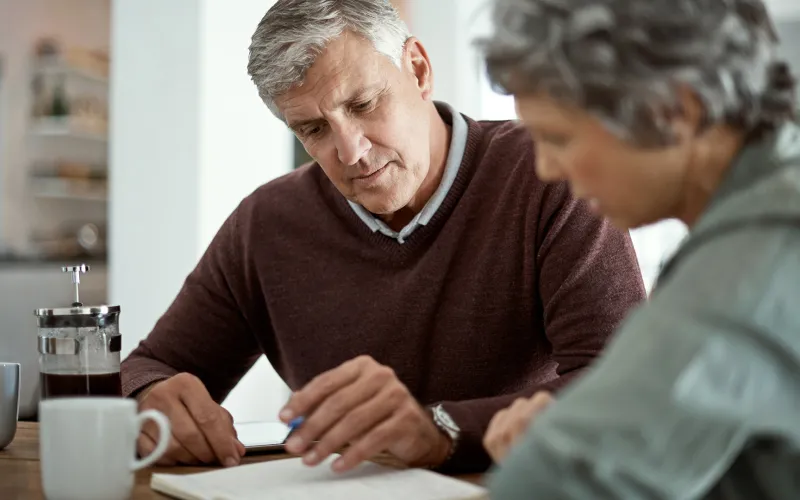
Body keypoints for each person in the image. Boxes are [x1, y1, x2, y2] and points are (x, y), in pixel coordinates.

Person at [121, 0, 646, 474]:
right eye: (313, 130)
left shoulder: (552, 175)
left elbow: (624, 390)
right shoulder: (267, 223)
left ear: (417, 69)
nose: (349, 153)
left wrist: (440, 431)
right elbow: (148, 366)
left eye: (364, 104)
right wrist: (148, 396)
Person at [479, 0, 800, 497]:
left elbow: (556, 480)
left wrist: (581, 443)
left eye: (558, 137)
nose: (546, 168)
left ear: (676, 109)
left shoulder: (757, 252)